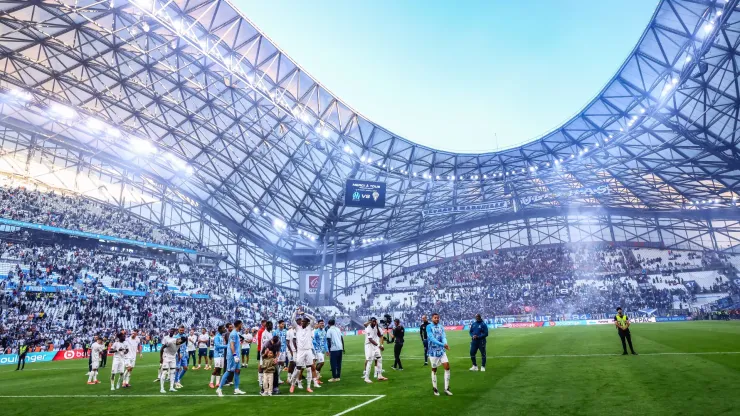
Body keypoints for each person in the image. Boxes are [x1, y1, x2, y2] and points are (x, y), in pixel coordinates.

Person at [216, 319, 247, 396]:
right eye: (241, 324)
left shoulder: (236, 333)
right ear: (239, 325)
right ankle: (219, 389)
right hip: (232, 356)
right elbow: (231, 345)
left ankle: (236, 389)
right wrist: (234, 355)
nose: (242, 326)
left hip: (236, 355)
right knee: (229, 371)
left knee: (237, 371)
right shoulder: (233, 333)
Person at [290, 308, 316, 394]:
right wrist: (296, 312)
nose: (302, 322)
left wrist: (305, 313)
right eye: (302, 321)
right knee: (298, 369)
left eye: (304, 321)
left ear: (307, 323)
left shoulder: (309, 328)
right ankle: (292, 384)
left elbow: (313, 318)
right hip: (300, 351)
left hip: (308, 350)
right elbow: (292, 319)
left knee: (309, 369)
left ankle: (308, 387)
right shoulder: (297, 328)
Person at [427, 313, 452, 396]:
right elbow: (432, 338)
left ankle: (446, 388)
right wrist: (443, 344)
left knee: (447, 367)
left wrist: (445, 343)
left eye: (438, 318)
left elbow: (443, 337)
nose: (437, 319)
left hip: (441, 351)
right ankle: (435, 388)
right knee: (434, 369)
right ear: (432, 318)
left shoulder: (441, 327)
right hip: (433, 352)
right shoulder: (429, 327)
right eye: (435, 318)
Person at [159, 328, 186, 393]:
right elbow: (162, 348)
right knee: (164, 372)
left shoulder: (180, 343)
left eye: (181, 343)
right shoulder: (171, 341)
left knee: (173, 372)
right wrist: (161, 358)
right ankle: (162, 388)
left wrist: (179, 355)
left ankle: (171, 387)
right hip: (166, 357)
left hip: (173, 358)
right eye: (179, 341)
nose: (179, 343)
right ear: (179, 339)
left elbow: (178, 349)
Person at [364, 317, 388, 383]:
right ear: (371, 322)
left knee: (379, 358)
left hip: (375, 345)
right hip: (369, 345)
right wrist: (379, 346)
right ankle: (366, 378)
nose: (374, 323)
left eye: (375, 321)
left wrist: (377, 327)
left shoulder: (376, 326)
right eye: (373, 321)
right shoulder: (368, 328)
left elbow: (379, 335)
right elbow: (370, 339)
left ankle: (379, 375)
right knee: (370, 361)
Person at [258, 321, 274, 393]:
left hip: (269, 354)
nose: (271, 327)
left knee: (268, 370)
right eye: (270, 325)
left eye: (272, 325)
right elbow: (266, 345)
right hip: (265, 354)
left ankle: (267, 387)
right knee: (265, 370)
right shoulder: (264, 333)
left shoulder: (270, 333)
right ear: (267, 326)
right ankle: (262, 388)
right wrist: (267, 354)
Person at [313, 319, 328, 384]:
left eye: (323, 323)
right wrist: (317, 345)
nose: (322, 324)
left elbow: (325, 342)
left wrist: (327, 350)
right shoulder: (316, 332)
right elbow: (313, 340)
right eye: (321, 323)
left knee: (320, 363)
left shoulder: (324, 332)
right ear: (318, 324)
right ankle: (316, 378)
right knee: (321, 363)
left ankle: (316, 377)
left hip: (322, 350)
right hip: (317, 349)